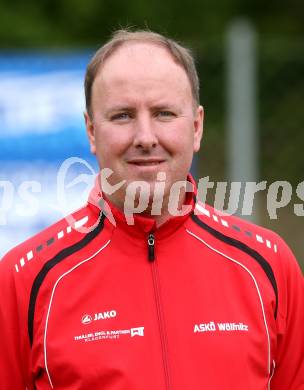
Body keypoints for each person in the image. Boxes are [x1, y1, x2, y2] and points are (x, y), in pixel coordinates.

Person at [0, 29, 303, 390]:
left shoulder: (268, 266)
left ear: (196, 126)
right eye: (123, 116)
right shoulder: (23, 280)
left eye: (163, 113)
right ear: (91, 132)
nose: (145, 137)